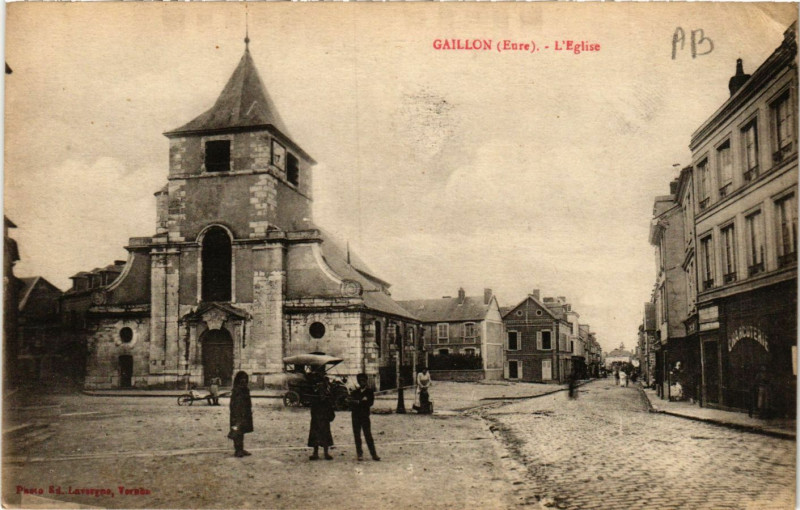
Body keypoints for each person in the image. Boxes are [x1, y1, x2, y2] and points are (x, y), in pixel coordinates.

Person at [350, 373, 380, 461]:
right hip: (355, 416)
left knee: (368, 435)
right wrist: (360, 402)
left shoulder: (370, 391)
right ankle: (359, 454)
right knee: (357, 435)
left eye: (363, 381)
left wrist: (358, 402)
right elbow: (351, 403)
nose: (362, 382)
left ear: (366, 381)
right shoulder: (354, 392)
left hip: (365, 416)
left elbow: (370, 403)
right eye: (360, 381)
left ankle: (373, 454)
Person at [307, 374, 334, 461]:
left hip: (324, 417)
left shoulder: (327, 393)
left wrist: (330, 415)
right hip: (317, 416)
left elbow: (330, 405)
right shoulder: (315, 394)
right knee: (315, 435)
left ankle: (325, 453)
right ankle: (316, 453)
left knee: (325, 434)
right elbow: (313, 405)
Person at [229, 371, 253, 457]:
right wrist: (236, 415)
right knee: (237, 432)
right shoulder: (236, 390)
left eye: (245, 379)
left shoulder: (245, 389)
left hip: (244, 414)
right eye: (242, 379)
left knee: (241, 431)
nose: (243, 381)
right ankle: (237, 450)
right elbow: (233, 404)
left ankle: (241, 449)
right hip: (237, 415)